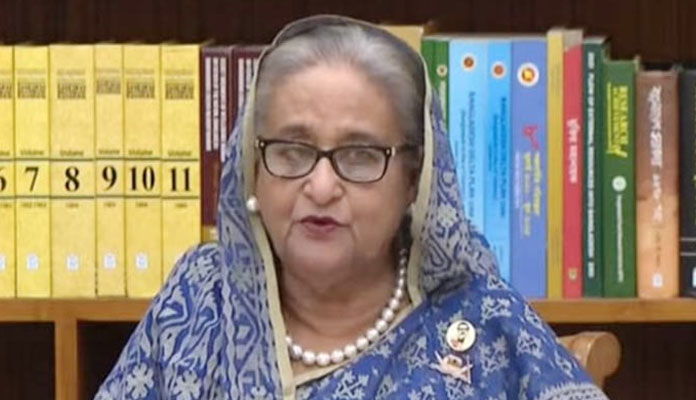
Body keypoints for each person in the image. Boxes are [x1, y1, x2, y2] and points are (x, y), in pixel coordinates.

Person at [96, 15, 609, 400]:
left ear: (414, 181)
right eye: (292, 151)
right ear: (251, 168)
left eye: (361, 155)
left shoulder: (484, 325)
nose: (321, 187)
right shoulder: (198, 298)